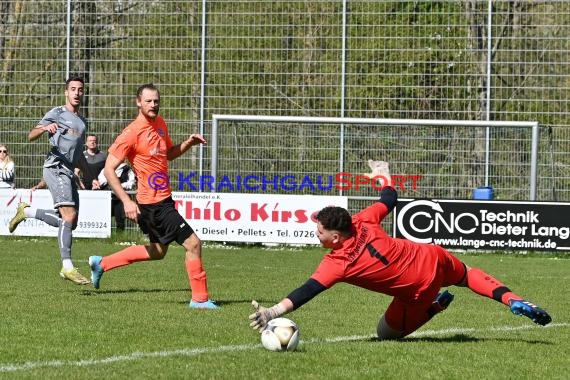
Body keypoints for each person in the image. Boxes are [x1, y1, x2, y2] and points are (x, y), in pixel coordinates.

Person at [249, 161, 552, 339]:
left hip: (419, 289)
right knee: (468, 274)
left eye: (320, 230)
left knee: (385, 334)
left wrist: (271, 311)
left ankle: (435, 305)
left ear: (337, 238)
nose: (316, 232)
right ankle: (512, 299)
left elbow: (305, 292)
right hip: (431, 255)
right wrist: (383, 173)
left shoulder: (336, 264)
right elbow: (390, 197)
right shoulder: (361, 219)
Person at [88, 83, 217, 309]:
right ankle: (200, 299)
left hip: (163, 200)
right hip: (153, 205)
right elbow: (109, 169)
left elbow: (169, 155)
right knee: (193, 243)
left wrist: (189, 143)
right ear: (138, 102)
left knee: (158, 251)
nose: (153, 105)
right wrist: (127, 200)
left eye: (156, 100)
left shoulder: (160, 124)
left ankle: (102, 263)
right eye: (148, 101)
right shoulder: (131, 133)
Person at [8, 76, 91, 285]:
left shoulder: (82, 122)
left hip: (69, 172)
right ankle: (67, 266)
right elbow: (31, 135)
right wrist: (46, 128)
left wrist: (89, 174)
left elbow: (79, 152)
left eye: (80, 89)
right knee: (68, 216)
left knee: (71, 221)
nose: (77, 93)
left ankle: (26, 212)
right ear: (66, 92)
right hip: (55, 167)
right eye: (73, 89)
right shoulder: (57, 113)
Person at [97, 162, 136, 231]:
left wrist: (119, 186)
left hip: (121, 199)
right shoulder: (106, 168)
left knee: (120, 218)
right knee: (104, 217)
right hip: (108, 198)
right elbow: (101, 179)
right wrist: (111, 185)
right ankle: (104, 235)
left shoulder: (127, 169)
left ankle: (119, 236)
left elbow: (131, 182)